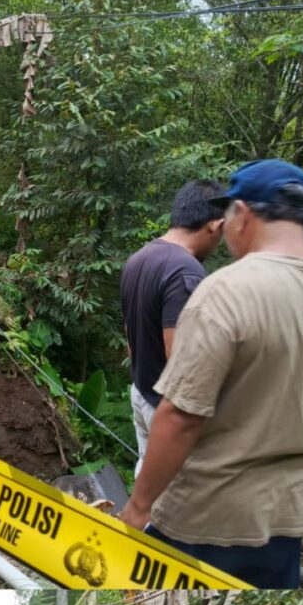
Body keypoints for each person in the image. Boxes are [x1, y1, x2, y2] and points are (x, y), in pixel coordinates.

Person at [120, 160, 303, 588]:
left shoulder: (226, 290)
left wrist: (138, 508)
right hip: (287, 521)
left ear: (243, 215)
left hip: (207, 520)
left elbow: (182, 415)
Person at [120, 180, 227, 472]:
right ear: (215, 226)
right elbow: (180, 360)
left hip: (141, 391)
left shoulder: (139, 259)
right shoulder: (185, 269)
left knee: (148, 479)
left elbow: (131, 336)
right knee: (174, 499)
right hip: (165, 407)